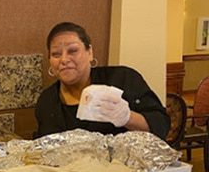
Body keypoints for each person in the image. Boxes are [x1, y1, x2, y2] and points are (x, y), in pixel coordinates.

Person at [34, 22, 170, 140]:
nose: (64, 60)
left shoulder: (122, 79)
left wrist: (127, 117)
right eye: (56, 54)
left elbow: (161, 125)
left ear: (90, 52)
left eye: (73, 51)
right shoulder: (46, 102)